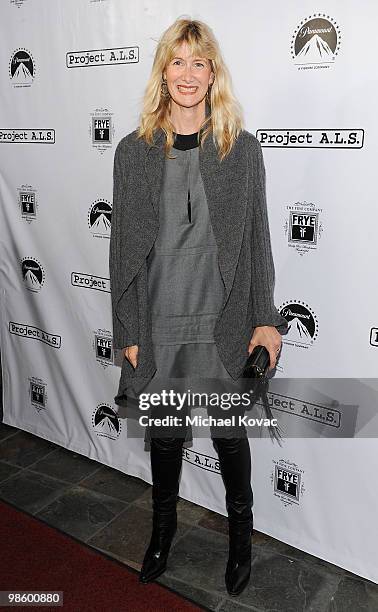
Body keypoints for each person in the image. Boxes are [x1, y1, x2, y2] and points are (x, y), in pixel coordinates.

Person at [109, 18, 288, 597]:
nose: (188, 75)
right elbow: (120, 255)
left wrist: (266, 320)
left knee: (229, 438)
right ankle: (161, 534)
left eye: (199, 62)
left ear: (214, 73)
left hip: (224, 320)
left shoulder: (241, 150)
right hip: (160, 321)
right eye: (177, 61)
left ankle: (241, 538)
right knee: (164, 436)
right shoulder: (133, 153)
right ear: (164, 71)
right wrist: (127, 328)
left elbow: (259, 241)